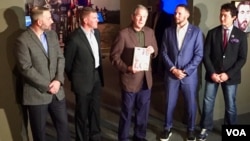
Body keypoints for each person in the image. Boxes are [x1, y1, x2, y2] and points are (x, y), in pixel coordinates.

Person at [14, 6, 70, 141]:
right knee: (39, 134)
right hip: (36, 95)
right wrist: (48, 85)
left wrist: (58, 80)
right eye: (49, 18)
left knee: (64, 130)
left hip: (57, 93)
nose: (52, 21)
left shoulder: (52, 35)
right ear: (39, 22)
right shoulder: (22, 40)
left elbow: (60, 58)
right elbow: (25, 68)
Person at [198, 3, 248, 141]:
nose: (222, 18)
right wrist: (212, 73)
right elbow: (206, 55)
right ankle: (205, 127)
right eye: (221, 14)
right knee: (208, 102)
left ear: (233, 17)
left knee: (230, 105)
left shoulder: (241, 35)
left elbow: (242, 58)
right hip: (212, 75)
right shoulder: (212, 33)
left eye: (225, 15)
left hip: (230, 77)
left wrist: (228, 74)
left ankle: (231, 130)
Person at [110, 4, 158, 141]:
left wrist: (152, 50)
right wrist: (127, 68)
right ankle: (123, 137)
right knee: (127, 112)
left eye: (144, 17)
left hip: (146, 80)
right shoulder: (123, 34)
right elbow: (114, 57)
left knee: (143, 112)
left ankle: (139, 136)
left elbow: (156, 49)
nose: (141, 19)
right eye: (139, 16)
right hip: (130, 80)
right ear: (133, 17)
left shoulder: (150, 32)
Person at [160, 4, 204, 141]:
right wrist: (173, 69)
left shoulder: (196, 32)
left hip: (188, 76)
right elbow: (164, 52)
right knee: (169, 103)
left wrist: (185, 71)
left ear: (187, 15)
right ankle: (167, 128)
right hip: (171, 74)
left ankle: (190, 130)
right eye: (175, 13)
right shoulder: (168, 31)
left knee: (191, 104)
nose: (176, 16)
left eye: (179, 13)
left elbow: (199, 55)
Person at [64, 7, 104, 141]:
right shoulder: (74, 38)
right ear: (85, 20)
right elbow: (67, 63)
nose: (97, 19)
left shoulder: (97, 33)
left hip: (96, 77)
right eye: (94, 18)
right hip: (82, 82)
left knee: (95, 110)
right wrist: (76, 80)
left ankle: (95, 136)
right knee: (81, 113)